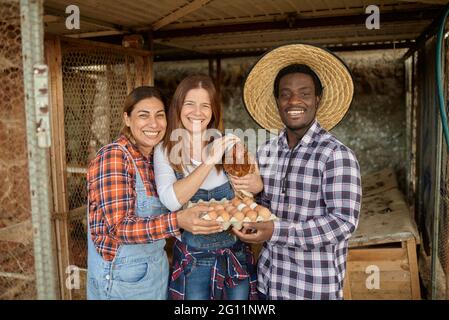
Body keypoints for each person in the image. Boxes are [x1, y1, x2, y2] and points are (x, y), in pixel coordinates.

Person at [231, 44, 362, 300]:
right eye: (285, 94)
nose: (294, 101)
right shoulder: (267, 151)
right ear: (277, 100)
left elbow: (343, 223)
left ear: (317, 100)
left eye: (304, 93)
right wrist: (249, 210)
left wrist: (275, 231)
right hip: (269, 281)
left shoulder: (336, 155)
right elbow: (265, 208)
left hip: (310, 287)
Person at [86, 86, 221, 300]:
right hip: (123, 281)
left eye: (160, 115)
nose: (154, 124)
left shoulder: (154, 159)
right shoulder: (114, 157)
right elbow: (119, 228)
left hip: (155, 272)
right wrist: (177, 221)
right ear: (127, 118)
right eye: (143, 115)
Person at [153, 75, 258, 300]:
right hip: (194, 262)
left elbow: (252, 187)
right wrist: (209, 160)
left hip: (234, 255)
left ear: (213, 111)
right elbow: (171, 201)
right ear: (179, 106)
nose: (197, 112)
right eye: (190, 104)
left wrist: (253, 178)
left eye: (205, 105)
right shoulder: (164, 150)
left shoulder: (225, 141)